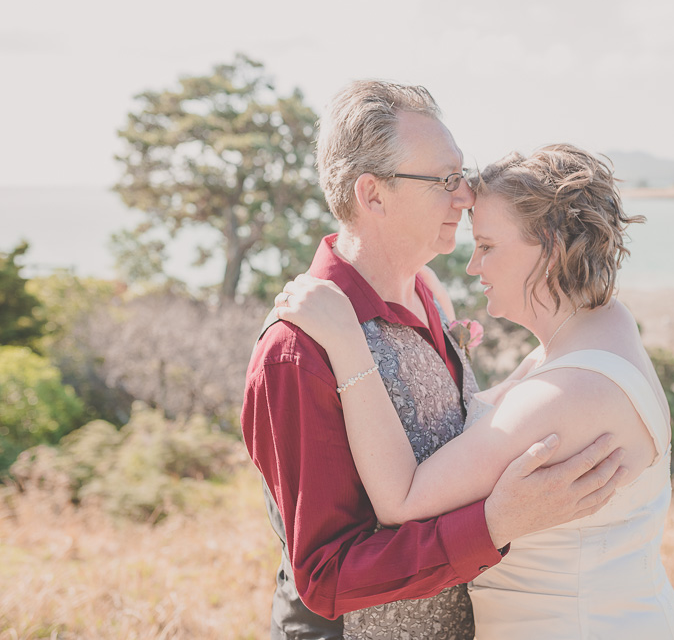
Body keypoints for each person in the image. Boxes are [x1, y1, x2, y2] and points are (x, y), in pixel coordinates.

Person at [241, 82, 628, 640]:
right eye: (444, 180)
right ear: (372, 195)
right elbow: (325, 578)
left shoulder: (424, 293)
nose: (466, 197)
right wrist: (496, 523)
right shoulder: (297, 353)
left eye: (461, 176)